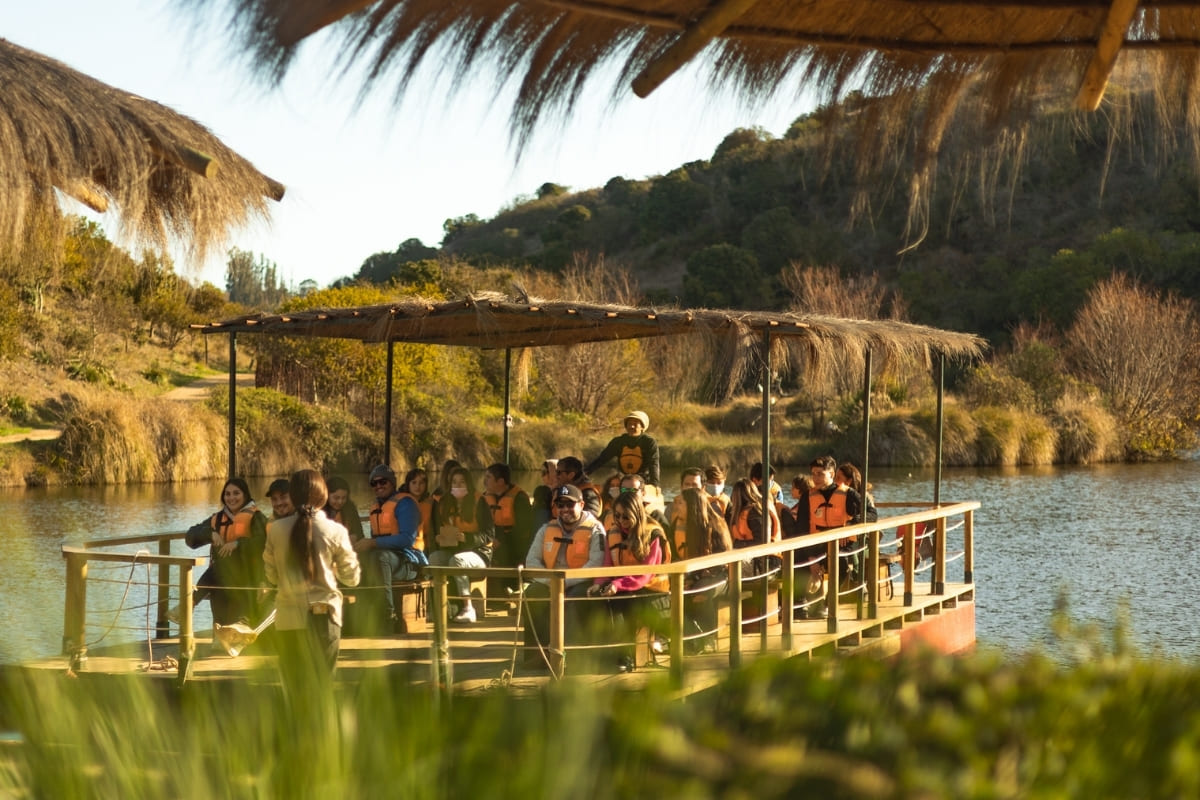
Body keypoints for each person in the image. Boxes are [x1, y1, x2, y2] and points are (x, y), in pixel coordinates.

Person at [263, 469, 360, 685]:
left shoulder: (276, 529)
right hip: (324, 617)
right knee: (322, 687)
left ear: (293, 495)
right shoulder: (335, 531)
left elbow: (271, 576)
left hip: (288, 618)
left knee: (294, 688)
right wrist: (331, 569)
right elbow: (352, 578)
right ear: (322, 495)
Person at [521, 484, 607, 667]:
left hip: (582, 582)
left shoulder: (595, 529)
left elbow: (596, 563)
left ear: (581, 505)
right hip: (551, 581)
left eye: (570, 504)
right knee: (532, 594)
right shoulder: (546, 529)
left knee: (577, 597)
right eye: (560, 505)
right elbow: (532, 561)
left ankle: (570, 656)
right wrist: (550, 581)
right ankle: (536, 654)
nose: (565, 509)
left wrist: (565, 582)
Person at [588, 492, 670, 672]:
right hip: (623, 586)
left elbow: (645, 575)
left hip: (652, 591)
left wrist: (617, 585)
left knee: (622, 602)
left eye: (625, 516)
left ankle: (625, 657)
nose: (620, 521)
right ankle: (605, 655)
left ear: (636, 513)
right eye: (617, 516)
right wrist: (598, 583)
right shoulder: (613, 534)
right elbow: (607, 565)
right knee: (599, 600)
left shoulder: (653, 534)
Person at [183, 477, 269, 633]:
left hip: (247, 581)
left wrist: (238, 544)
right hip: (220, 583)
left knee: (240, 627)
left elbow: (262, 543)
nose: (231, 498)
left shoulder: (256, 517)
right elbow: (190, 537)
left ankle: (193, 599)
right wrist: (210, 534)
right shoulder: (217, 519)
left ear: (245, 495)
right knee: (220, 627)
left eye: (236, 493)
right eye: (227, 494)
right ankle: (194, 603)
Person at [354, 464, 430, 632]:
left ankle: (387, 615)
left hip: (410, 562)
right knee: (361, 558)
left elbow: (407, 539)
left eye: (383, 482)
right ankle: (360, 615)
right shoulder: (375, 507)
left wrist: (372, 543)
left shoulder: (405, 504)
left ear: (392, 483)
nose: (379, 486)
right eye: (374, 483)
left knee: (380, 558)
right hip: (385, 559)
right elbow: (374, 541)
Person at [427, 466, 495, 623]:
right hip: (452, 550)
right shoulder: (444, 503)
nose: (458, 485)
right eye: (454, 482)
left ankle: (468, 608)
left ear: (468, 484)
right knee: (435, 558)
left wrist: (467, 538)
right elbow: (438, 530)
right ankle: (439, 607)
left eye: (462, 482)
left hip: (480, 553)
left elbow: (489, 534)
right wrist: (440, 539)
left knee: (457, 560)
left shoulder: (480, 502)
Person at [674, 487, 733, 653]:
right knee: (678, 592)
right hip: (699, 576)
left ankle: (708, 638)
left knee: (701, 591)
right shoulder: (688, 526)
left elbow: (721, 562)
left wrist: (696, 580)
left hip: (722, 577)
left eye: (681, 503)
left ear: (692, 506)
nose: (677, 507)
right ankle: (691, 638)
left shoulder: (715, 526)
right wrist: (690, 579)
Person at [481, 462, 534, 593]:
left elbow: (522, 530)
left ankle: (508, 590)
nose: (484, 481)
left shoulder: (519, 498)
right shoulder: (484, 497)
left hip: (514, 544)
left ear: (500, 482)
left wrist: (501, 540)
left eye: (488, 477)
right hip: (490, 539)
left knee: (503, 554)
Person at [585, 410, 660, 486]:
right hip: (623, 480)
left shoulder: (649, 443)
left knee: (632, 488)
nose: (631, 426)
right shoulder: (618, 442)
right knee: (610, 487)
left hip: (642, 482)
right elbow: (601, 460)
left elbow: (654, 464)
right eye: (629, 424)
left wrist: (655, 484)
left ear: (642, 427)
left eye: (635, 424)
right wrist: (584, 474)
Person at [324, 475, 364, 543]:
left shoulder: (350, 509)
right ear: (327, 495)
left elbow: (360, 534)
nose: (340, 502)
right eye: (336, 498)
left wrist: (355, 537)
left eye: (344, 498)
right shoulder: (319, 511)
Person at [531, 458, 559, 529]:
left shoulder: (561, 493)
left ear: (553, 472)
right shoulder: (542, 491)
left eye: (544, 472)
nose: (541, 476)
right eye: (541, 472)